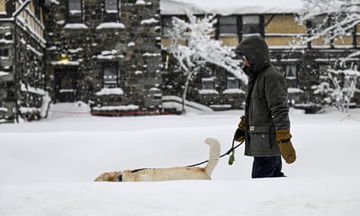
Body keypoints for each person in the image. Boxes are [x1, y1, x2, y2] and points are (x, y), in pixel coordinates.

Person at [233, 36, 296, 178]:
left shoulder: (271, 77)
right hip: (261, 143)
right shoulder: (257, 77)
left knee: (260, 188)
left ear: (255, 56)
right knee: (272, 185)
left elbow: (279, 110)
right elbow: (258, 108)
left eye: (245, 58)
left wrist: (284, 139)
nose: (244, 62)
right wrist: (245, 125)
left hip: (268, 144)